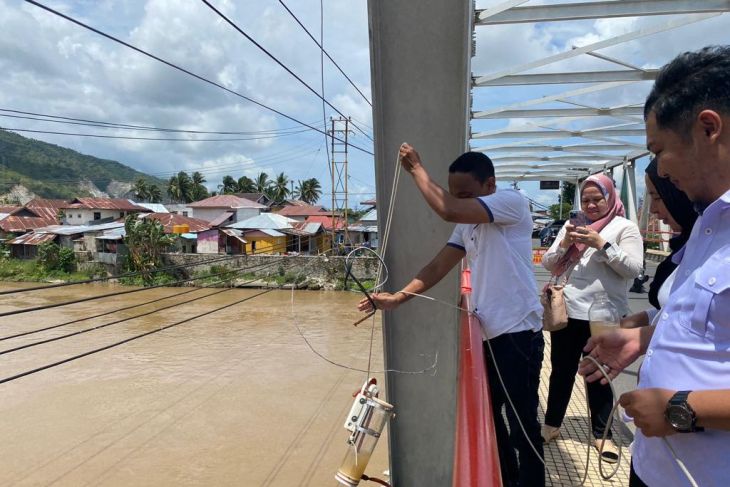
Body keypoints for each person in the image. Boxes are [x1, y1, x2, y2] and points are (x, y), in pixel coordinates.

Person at [580, 45, 730, 487]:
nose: (661, 171)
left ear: (708, 128)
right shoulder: (710, 225)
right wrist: (643, 338)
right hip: (655, 464)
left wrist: (680, 408)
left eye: (659, 150)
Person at [358, 145, 544, 487]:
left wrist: (416, 168)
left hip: (518, 332)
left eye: (467, 195)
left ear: (490, 185)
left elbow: (447, 209)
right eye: (456, 194)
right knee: (491, 418)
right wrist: (399, 298)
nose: (461, 202)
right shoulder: (467, 225)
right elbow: (439, 265)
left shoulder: (511, 202)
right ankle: (510, 479)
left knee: (523, 425)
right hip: (488, 333)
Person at [540, 175, 643, 462]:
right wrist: (564, 244)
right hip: (569, 311)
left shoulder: (625, 228)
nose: (591, 204)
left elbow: (635, 269)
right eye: (585, 200)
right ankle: (551, 425)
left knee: (599, 375)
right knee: (561, 371)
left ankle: (603, 435)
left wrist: (602, 244)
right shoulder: (572, 225)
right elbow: (548, 262)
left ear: (610, 197)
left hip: (603, 315)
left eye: (597, 198)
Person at [621, 158, 698, 328]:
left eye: (657, 198)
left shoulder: (714, 248)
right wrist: (643, 320)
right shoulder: (690, 243)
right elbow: (683, 314)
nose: (652, 210)